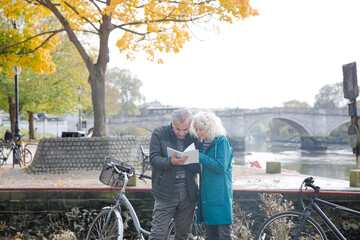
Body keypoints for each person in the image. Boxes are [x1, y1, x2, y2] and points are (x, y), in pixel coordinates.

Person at [149, 108, 200, 240]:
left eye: (186, 129)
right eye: (178, 129)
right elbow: (154, 159)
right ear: (172, 123)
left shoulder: (195, 136)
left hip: (188, 194)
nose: (182, 133)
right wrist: (171, 162)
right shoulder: (159, 133)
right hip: (165, 192)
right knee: (157, 235)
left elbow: (199, 167)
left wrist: (189, 161)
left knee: (183, 236)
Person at [190, 111, 234, 240]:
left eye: (201, 129)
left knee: (223, 235)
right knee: (212, 235)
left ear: (209, 127)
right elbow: (204, 167)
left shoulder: (222, 142)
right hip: (207, 197)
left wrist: (199, 156)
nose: (198, 132)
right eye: (196, 129)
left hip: (220, 196)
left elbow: (221, 167)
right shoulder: (204, 143)